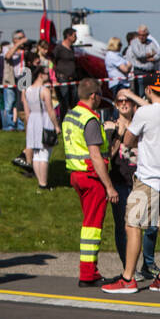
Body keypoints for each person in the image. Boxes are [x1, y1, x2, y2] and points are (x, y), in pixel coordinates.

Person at [104, 83, 160, 293]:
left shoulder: (145, 112)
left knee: (132, 225)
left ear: (148, 90)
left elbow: (127, 141)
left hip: (148, 177)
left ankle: (128, 278)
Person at [61, 79, 120, 286]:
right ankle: (88, 274)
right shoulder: (90, 119)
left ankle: (89, 271)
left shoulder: (71, 115)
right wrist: (109, 186)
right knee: (92, 227)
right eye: (99, 95)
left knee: (89, 223)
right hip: (91, 176)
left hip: (76, 175)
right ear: (93, 95)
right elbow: (95, 155)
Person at [104, 89, 156, 278]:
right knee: (123, 226)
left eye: (127, 101)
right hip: (119, 180)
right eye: (120, 101)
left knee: (151, 225)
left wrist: (133, 95)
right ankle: (129, 267)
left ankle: (148, 264)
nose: (124, 104)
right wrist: (116, 134)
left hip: (141, 179)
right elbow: (107, 156)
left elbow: (154, 109)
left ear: (134, 105)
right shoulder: (110, 125)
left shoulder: (142, 123)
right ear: (116, 105)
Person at [18, 63, 56, 189]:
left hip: (33, 120)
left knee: (37, 154)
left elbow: (27, 111)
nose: (48, 76)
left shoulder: (28, 90)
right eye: (46, 73)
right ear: (41, 75)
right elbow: (50, 110)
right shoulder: (45, 90)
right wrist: (56, 125)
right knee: (44, 154)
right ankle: (43, 183)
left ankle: (41, 181)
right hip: (43, 119)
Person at [124, 25, 160, 97]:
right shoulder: (134, 43)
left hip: (150, 71)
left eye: (143, 35)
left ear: (147, 35)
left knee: (152, 93)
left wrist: (153, 58)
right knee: (141, 94)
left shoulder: (151, 43)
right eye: (140, 35)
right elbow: (139, 54)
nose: (141, 37)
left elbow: (158, 54)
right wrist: (151, 54)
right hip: (139, 71)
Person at [53, 28, 78, 121]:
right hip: (62, 79)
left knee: (75, 101)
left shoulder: (71, 48)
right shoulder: (59, 48)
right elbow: (52, 62)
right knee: (64, 101)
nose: (76, 38)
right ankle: (63, 121)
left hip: (72, 79)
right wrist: (54, 78)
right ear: (68, 36)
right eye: (74, 35)